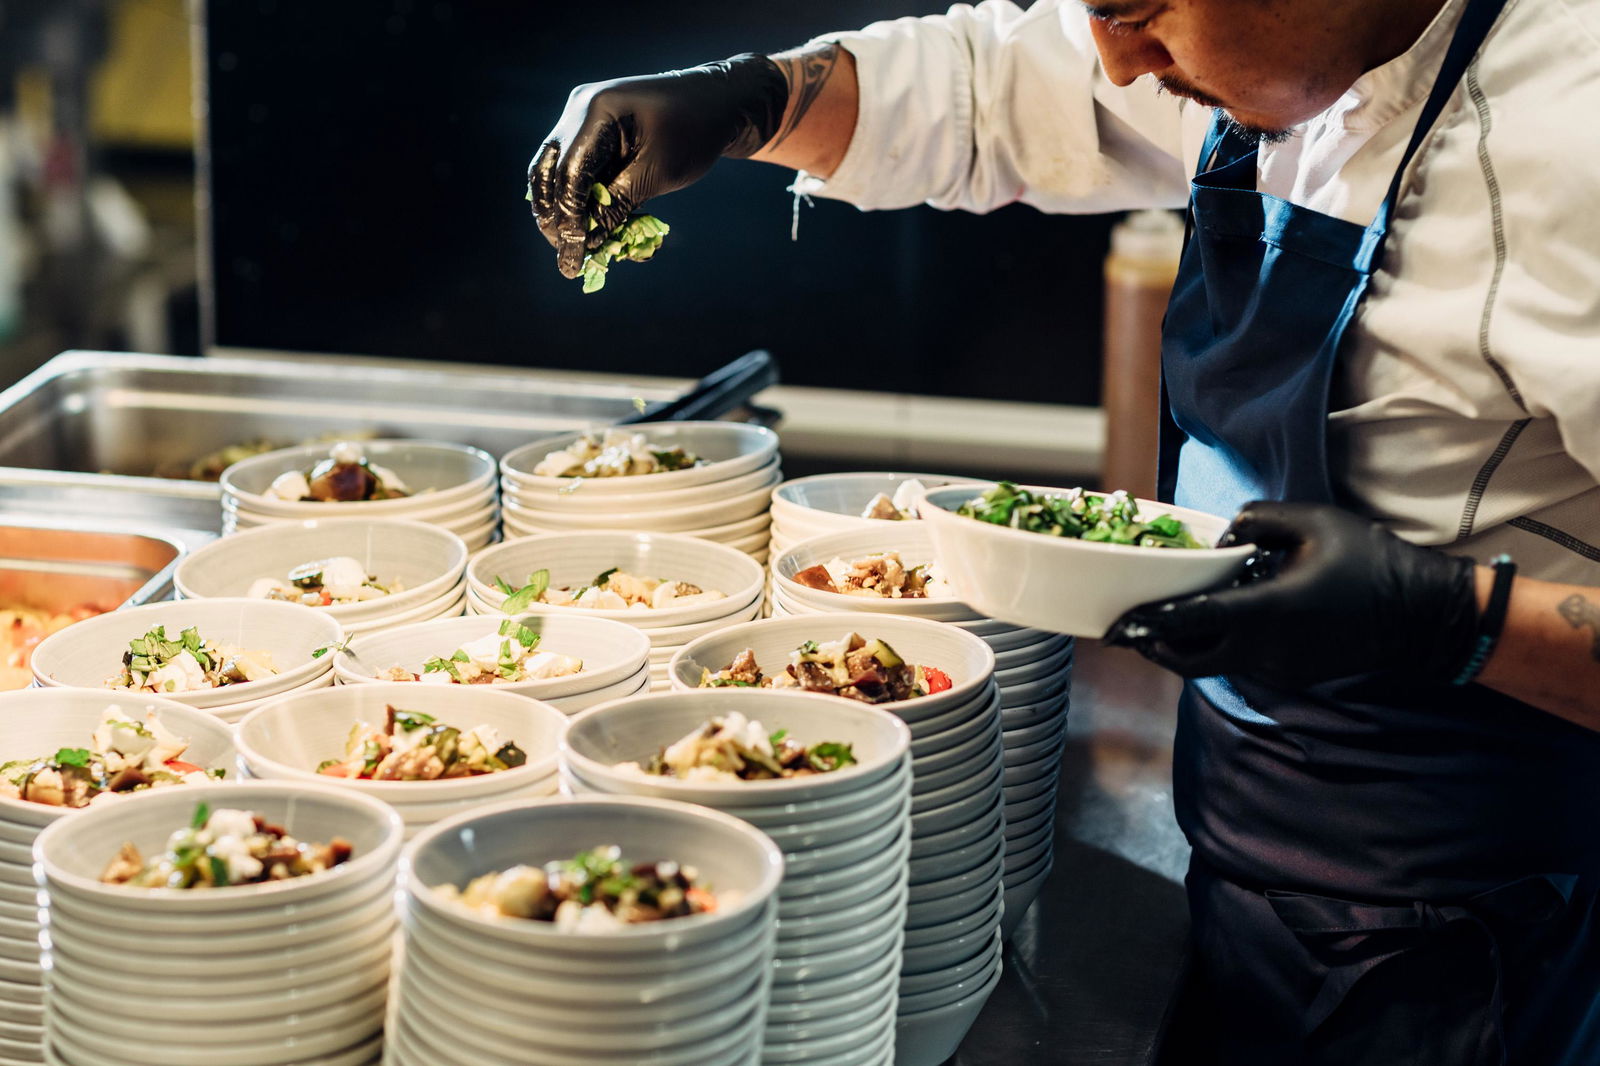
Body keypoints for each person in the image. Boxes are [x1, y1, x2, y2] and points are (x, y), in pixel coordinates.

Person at [528, 1, 1600, 1061]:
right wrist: (746, 98)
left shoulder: (1571, 143)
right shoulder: (1264, 59)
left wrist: (1445, 618)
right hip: (1262, 842)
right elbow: (991, 88)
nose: (1118, 63)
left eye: (1138, 11)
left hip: (1483, 926)